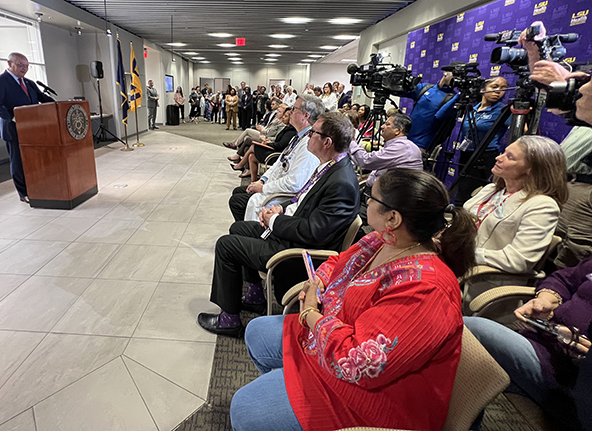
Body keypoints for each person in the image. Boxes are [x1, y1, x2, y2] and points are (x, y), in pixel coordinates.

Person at [230, 168, 478, 431]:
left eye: (371, 198)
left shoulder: (425, 290)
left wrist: (311, 313)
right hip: (334, 335)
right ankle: (284, 389)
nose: (366, 202)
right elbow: (340, 260)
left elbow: (357, 362)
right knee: (256, 332)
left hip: (374, 397)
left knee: (245, 409)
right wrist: (318, 281)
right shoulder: (384, 239)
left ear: (392, 217)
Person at [198, 111, 361, 337]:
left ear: (327, 142)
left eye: (314, 132)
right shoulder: (331, 166)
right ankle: (255, 295)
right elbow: (305, 203)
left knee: (226, 245)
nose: (309, 135)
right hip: (291, 232)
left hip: (297, 252)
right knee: (239, 228)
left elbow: (315, 233)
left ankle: (229, 320)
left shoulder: (341, 182)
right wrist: (281, 211)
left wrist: (275, 220)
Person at [464, 257, 592, 429]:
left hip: (568, 378)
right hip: (544, 342)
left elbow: (519, 259)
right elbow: (564, 278)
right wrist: (546, 300)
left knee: (469, 330)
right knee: (471, 366)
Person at [518, 24, 592, 268]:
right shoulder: (583, 89)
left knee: (571, 263)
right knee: (545, 252)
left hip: (586, 190)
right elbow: (557, 98)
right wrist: (534, 53)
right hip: (565, 183)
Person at [462, 136, 568, 302]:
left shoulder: (542, 205)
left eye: (509, 157)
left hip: (486, 284)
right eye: (504, 152)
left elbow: (519, 260)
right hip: (459, 268)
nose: (499, 157)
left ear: (531, 169)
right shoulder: (491, 189)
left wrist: (464, 253)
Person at [229, 94, 322, 222]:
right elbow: (280, 162)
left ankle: (247, 233)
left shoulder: (309, 144)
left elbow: (295, 183)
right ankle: (243, 231)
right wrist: (262, 180)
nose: (290, 112)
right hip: (274, 184)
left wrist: (263, 188)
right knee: (238, 193)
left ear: (306, 116)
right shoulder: (298, 136)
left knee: (237, 201)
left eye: (294, 109)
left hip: (282, 195)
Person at [0, 52, 54, 203]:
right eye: (21, 65)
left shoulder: (29, 83)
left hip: (33, 129)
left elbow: (43, 99)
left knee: (34, 160)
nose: (24, 69)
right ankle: (24, 193)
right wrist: (12, 116)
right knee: (19, 162)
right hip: (14, 130)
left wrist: (60, 105)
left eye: (27, 66)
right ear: (10, 64)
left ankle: (37, 186)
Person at [438, 76, 512, 205]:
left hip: (485, 156)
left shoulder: (502, 110)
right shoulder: (472, 108)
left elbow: (521, 130)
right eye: (494, 87)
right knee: (462, 190)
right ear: (483, 89)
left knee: (473, 194)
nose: (498, 91)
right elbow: (440, 115)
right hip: (466, 154)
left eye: (503, 88)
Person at [349, 113, 422, 187]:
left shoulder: (401, 147)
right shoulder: (401, 145)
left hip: (393, 195)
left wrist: (351, 141)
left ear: (398, 130)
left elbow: (366, 161)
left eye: (387, 124)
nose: (382, 126)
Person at [400, 65, 458, 150]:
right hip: (405, 139)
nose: (457, 79)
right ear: (446, 73)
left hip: (423, 145)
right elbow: (402, 91)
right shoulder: (426, 88)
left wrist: (459, 97)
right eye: (455, 75)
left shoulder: (453, 98)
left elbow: (440, 116)